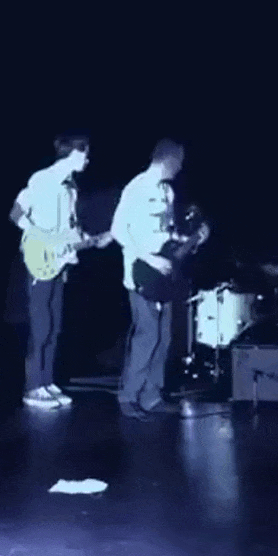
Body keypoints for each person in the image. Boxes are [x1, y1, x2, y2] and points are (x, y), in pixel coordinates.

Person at [9, 134, 113, 409]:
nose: (88, 160)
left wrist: (92, 240)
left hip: (60, 262)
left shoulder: (71, 188)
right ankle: (33, 388)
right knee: (41, 325)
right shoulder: (42, 180)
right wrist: (40, 238)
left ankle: (46, 381)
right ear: (74, 154)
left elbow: (69, 229)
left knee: (54, 326)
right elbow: (17, 213)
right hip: (39, 259)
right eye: (85, 154)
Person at [110, 138, 208, 420]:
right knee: (147, 335)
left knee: (163, 337)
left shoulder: (167, 191)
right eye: (179, 162)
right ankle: (129, 396)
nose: (180, 168)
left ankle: (152, 396)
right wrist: (150, 258)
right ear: (169, 160)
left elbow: (166, 233)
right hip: (142, 272)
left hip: (164, 275)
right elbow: (118, 230)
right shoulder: (137, 188)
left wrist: (192, 239)